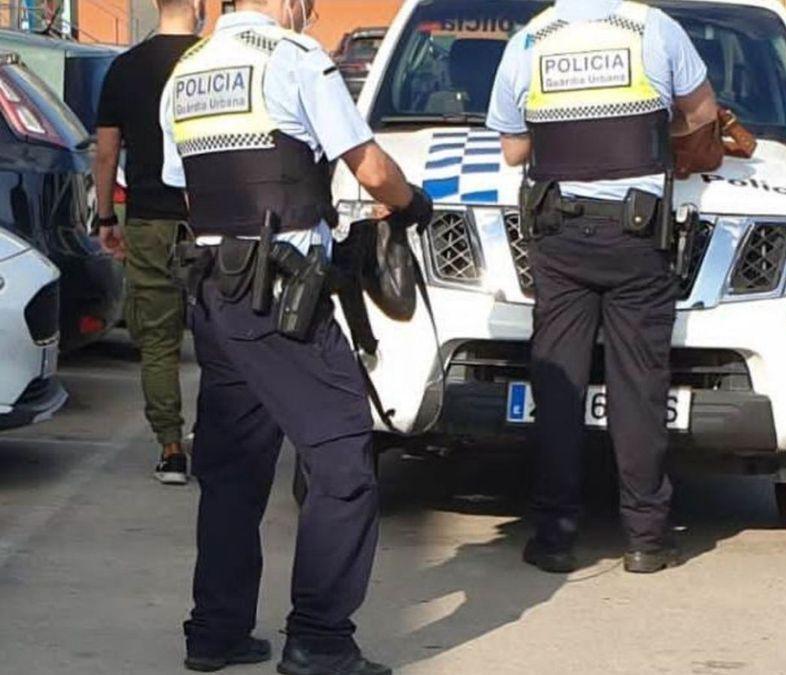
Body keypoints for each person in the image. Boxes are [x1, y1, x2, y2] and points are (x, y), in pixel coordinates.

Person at [159, 1, 431, 673]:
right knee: (342, 460)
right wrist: (412, 204)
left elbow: (187, 191)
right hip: (282, 296)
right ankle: (320, 637)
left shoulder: (187, 71)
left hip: (214, 289)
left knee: (233, 468)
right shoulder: (293, 58)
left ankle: (216, 632)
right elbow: (369, 166)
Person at [487, 0, 719, 575]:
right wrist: (651, 132)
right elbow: (703, 112)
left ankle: (554, 537)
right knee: (639, 387)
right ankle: (646, 540)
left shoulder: (530, 41)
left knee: (559, 385)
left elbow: (513, 150)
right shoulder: (653, 28)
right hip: (636, 236)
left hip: (559, 236)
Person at [94, 0, 204, 485]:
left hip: (148, 221)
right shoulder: (212, 60)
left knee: (158, 342)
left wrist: (105, 217)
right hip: (212, 221)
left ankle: (171, 448)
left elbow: (106, 153)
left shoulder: (125, 68)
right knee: (223, 339)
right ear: (198, 5)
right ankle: (218, 439)